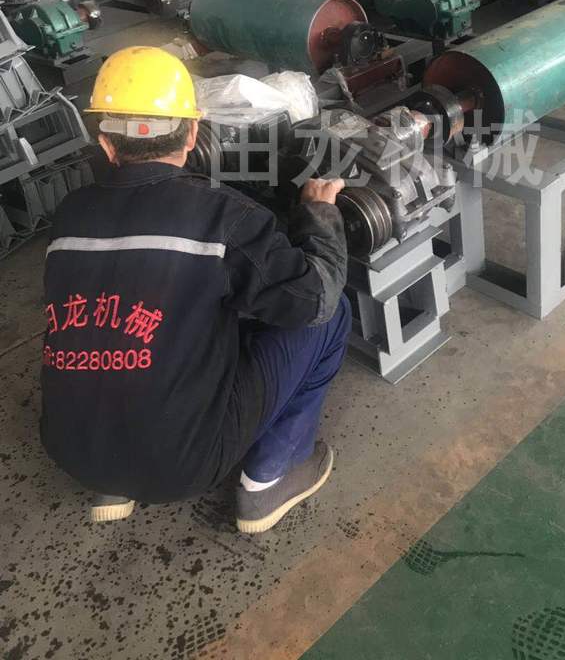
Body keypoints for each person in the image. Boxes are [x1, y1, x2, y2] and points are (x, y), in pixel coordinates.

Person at [40, 46, 350, 533]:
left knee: (115, 313)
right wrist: (319, 214)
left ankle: (115, 482)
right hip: (183, 464)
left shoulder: (69, 216)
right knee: (331, 315)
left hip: (71, 451)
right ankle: (270, 478)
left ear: (106, 144)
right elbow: (314, 298)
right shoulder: (222, 215)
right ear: (191, 135)